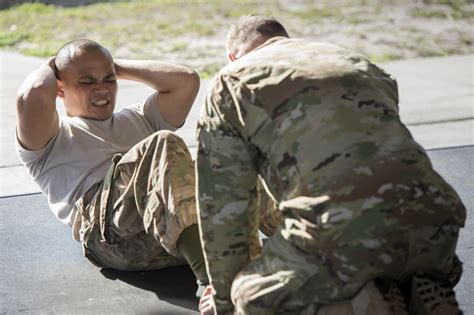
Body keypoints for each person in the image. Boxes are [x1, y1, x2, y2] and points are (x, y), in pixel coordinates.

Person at [196, 15, 466, 314]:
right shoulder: (359, 64)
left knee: (250, 296)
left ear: (232, 57)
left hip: (340, 237)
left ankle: (360, 303)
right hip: (438, 230)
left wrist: (225, 300)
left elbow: (223, 210)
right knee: (388, 249)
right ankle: (412, 282)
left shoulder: (231, 81)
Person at [16, 39, 209, 295]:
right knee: (164, 143)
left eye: (109, 80)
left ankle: (278, 248)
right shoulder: (51, 138)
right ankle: (212, 280)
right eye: (86, 82)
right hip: (111, 237)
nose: (102, 89)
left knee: (230, 153)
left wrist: (111, 66)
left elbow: (186, 80)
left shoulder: (140, 118)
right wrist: (53, 64)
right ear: (60, 89)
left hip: (168, 238)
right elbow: (34, 92)